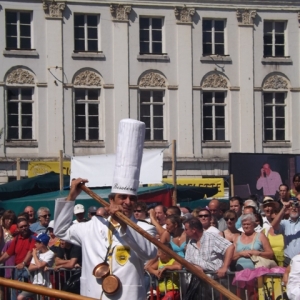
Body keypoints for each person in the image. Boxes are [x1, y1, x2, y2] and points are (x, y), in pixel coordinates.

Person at [54, 178, 157, 299]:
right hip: (92, 295)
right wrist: (72, 196)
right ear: (111, 200)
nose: (128, 202)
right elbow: (60, 230)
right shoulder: (92, 226)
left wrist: (125, 225)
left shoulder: (144, 228)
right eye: (123, 197)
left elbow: (149, 254)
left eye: (132, 198)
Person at [0, 218, 36, 300]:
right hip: (17, 270)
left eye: (25, 226)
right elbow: (8, 253)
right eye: (21, 227)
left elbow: (31, 252)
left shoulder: (34, 237)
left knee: (26, 296)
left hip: (28, 270)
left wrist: (23, 263)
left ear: (28, 225)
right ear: (18, 228)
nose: (24, 228)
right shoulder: (16, 238)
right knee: (15, 294)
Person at [17, 233, 54, 300]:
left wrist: (34, 255)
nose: (35, 244)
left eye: (37, 242)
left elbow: (39, 266)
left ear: (42, 243)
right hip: (35, 283)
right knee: (20, 297)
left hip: (44, 284)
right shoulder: (37, 253)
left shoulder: (50, 253)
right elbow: (30, 268)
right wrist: (41, 265)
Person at [271, 199, 300, 266]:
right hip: (288, 260)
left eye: (296, 206)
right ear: (288, 210)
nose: (294, 208)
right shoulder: (284, 223)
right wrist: (284, 208)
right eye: (291, 206)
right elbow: (273, 225)